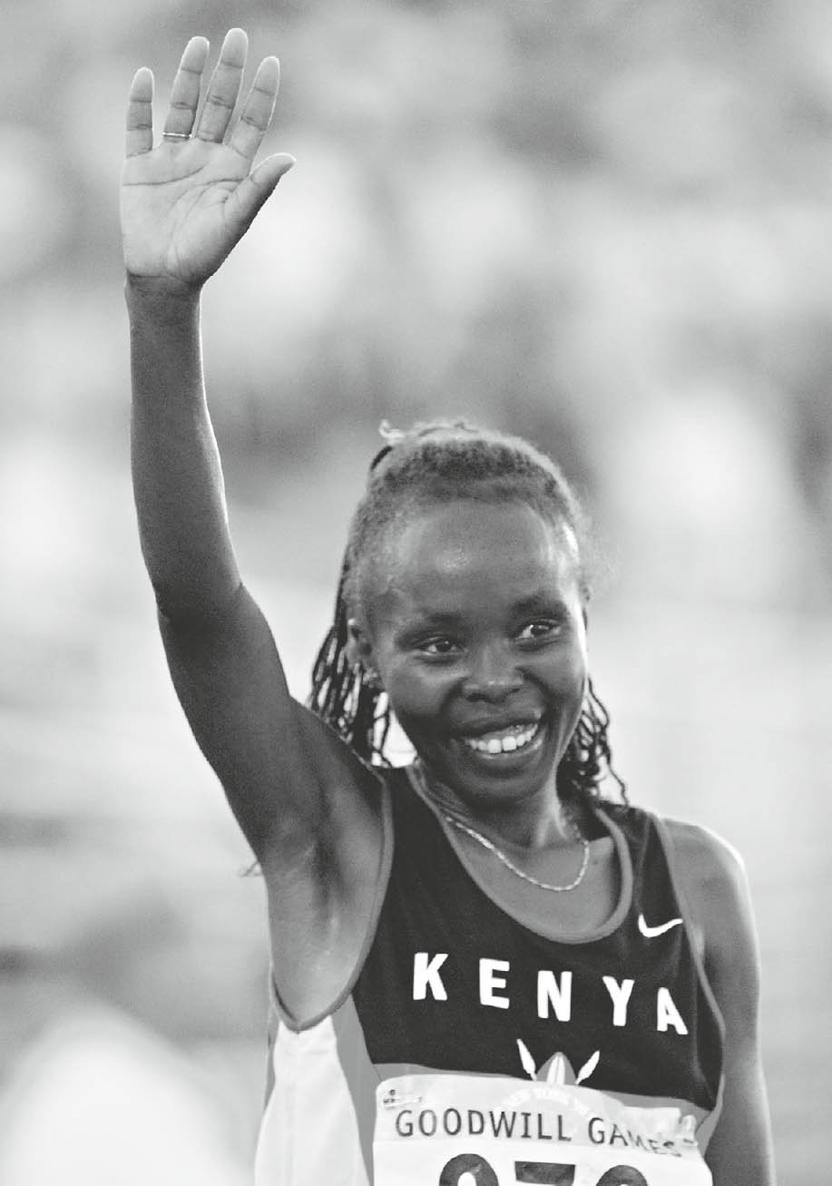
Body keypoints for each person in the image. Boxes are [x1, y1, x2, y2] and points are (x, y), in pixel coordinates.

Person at [121, 28, 776, 1186]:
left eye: (536, 625)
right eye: (434, 641)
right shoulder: (337, 843)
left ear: (585, 620)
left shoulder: (698, 889)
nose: (494, 676)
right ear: (366, 660)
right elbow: (198, 606)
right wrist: (162, 312)